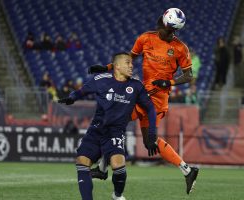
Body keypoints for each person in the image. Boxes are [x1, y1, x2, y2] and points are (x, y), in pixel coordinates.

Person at [89, 9, 199, 195]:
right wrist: (107, 67)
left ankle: (188, 170)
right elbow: (129, 59)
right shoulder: (146, 38)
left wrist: (169, 81)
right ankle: (188, 170)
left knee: (149, 140)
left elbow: (189, 75)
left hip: (158, 98)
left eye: (173, 31)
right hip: (143, 93)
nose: (170, 33)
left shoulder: (181, 48)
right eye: (168, 29)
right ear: (163, 23)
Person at [58, 52, 159, 200]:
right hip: (96, 129)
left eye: (131, 63)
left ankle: (117, 195)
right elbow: (82, 91)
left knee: (118, 166)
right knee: (82, 162)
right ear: (117, 66)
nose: (132, 66)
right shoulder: (100, 80)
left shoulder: (136, 86)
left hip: (115, 132)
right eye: (128, 63)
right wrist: (72, 98)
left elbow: (150, 109)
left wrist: (152, 133)